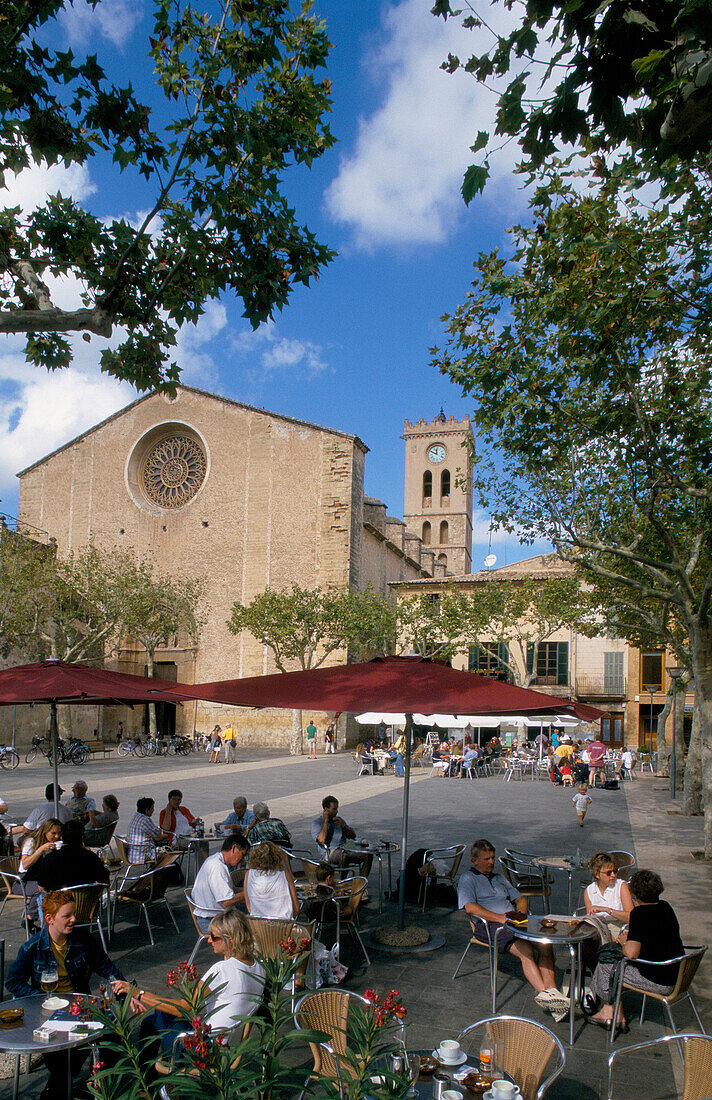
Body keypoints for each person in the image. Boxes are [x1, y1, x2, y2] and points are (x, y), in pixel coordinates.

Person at [7, 889, 125, 1100]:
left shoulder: (82, 939)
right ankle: (60, 1087)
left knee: (114, 1033)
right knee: (62, 1054)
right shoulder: (32, 948)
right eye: (67, 916)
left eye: (74, 914)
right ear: (50, 919)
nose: (74, 920)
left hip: (77, 1006)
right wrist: (38, 996)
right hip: (47, 1011)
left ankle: (96, 1080)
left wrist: (126, 987)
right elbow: (13, 982)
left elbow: (106, 967)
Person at [115, 909, 264, 1059]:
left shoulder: (222, 970)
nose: (208, 940)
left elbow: (183, 1007)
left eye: (214, 937)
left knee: (160, 1014)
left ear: (230, 940)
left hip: (206, 1050)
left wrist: (137, 994)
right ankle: (152, 1077)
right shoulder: (258, 967)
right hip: (230, 1047)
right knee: (151, 1021)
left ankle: (152, 1077)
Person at [457, 839, 569, 1021]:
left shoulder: (499, 877)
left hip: (513, 920)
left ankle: (552, 994)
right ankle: (551, 1002)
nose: (491, 862)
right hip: (488, 925)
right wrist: (501, 918)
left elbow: (521, 899)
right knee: (526, 950)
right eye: (486, 859)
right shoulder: (467, 879)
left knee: (545, 944)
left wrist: (520, 915)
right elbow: (470, 908)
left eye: (492, 858)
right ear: (474, 860)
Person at [588, 869, 683, 1033]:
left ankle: (609, 1011)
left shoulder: (640, 914)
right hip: (677, 972)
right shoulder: (666, 907)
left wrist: (625, 943)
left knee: (606, 963)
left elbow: (631, 953)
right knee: (613, 964)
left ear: (635, 893)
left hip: (658, 979)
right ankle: (614, 1011)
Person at [25, 820, 110, 925]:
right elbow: (105, 881)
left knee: (42, 897)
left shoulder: (51, 858)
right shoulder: (91, 857)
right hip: (86, 910)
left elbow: (40, 887)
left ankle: (42, 928)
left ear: (62, 837)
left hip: (58, 912)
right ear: (82, 837)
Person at [191, 834, 249, 932]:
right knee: (254, 927)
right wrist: (249, 894)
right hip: (212, 921)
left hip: (214, 916)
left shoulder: (215, 860)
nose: (243, 860)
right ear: (234, 848)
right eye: (242, 855)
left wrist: (250, 891)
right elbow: (226, 901)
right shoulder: (217, 867)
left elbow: (231, 889)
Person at [16, 818, 62, 929]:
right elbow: (25, 864)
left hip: (43, 878)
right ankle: (30, 919)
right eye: (53, 833)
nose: (56, 836)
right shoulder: (32, 842)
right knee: (42, 889)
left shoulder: (54, 844)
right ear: (45, 832)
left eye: (59, 833)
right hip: (23, 881)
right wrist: (40, 850)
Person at [311, 795, 373, 876]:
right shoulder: (317, 823)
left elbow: (353, 836)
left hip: (345, 848)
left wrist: (344, 827)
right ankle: (342, 881)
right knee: (343, 856)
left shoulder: (338, 820)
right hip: (330, 852)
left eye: (337, 809)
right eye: (334, 809)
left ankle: (361, 883)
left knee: (368, 855)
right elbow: (321, 840)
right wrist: (326, 821)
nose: (336, 811)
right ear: (326, 809)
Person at [244, 841, 299, 919]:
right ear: (277, 858)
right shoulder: (285, 875)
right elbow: (296, 910)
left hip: (258, 927)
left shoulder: (249, 875)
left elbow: (250, 909)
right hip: (284, 928)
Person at [584, 852, 634, 935]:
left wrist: (608, 910)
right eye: (609, 873)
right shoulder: (589, 891)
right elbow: (591, 918)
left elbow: (631, 917)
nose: (613, 875)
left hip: (620, 929)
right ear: (597, 874)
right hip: (599, 929)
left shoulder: (621, 886)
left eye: (615, 871)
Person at [125, 797, 170, 868]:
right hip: (142, 855)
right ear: (147, 810)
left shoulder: (136, 816)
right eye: (152, 808)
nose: (153, 810)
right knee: (169, 851)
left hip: (132, 853)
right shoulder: (145, 820)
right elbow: (158, 837)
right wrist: (165, 835)